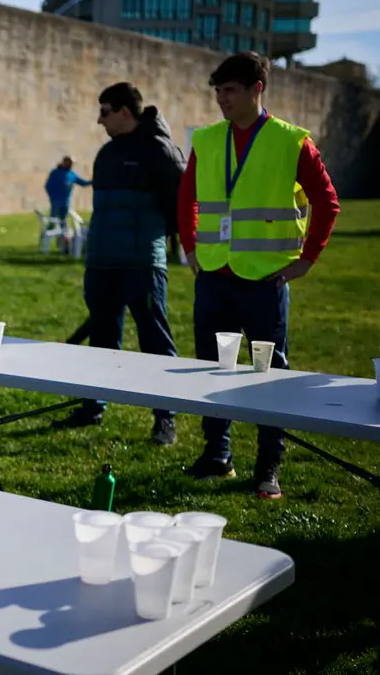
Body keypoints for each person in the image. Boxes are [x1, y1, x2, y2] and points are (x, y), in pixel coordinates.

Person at [180, 51, 340, 499]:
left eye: (229, 90)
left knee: (269, 375)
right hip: (213, 274)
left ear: (257, 89)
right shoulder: (208, 140)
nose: (221, 99)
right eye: (217, 91)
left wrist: (307, 260)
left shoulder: (292, 141)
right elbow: (186, 197)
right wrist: (191, 247)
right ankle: (218, 455)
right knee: (210, 369)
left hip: (267, 279)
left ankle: (269, 465)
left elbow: (327, 203)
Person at [53, 83, 184, 445]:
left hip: (142, 264)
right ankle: (93, 405)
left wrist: (158, 241)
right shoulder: (107, 154)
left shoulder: (160, 151)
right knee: (102, 339)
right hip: (102, 263)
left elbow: (181, 204)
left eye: (105, 111)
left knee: (154, 340)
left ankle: (165, 417)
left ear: (126, 111)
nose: (99, 119)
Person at [44, 156, 91, 227]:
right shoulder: (55, 173)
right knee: (53, 221)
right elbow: (48, 186)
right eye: (70, 163)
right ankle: (47, 236)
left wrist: (92, 181)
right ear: (65, 163)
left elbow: (83, 183)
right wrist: (52, 197)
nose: (71, 165)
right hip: (56, 201)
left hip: (66, 202)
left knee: (63, 222)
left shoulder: (72, 174)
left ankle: (61, 238)